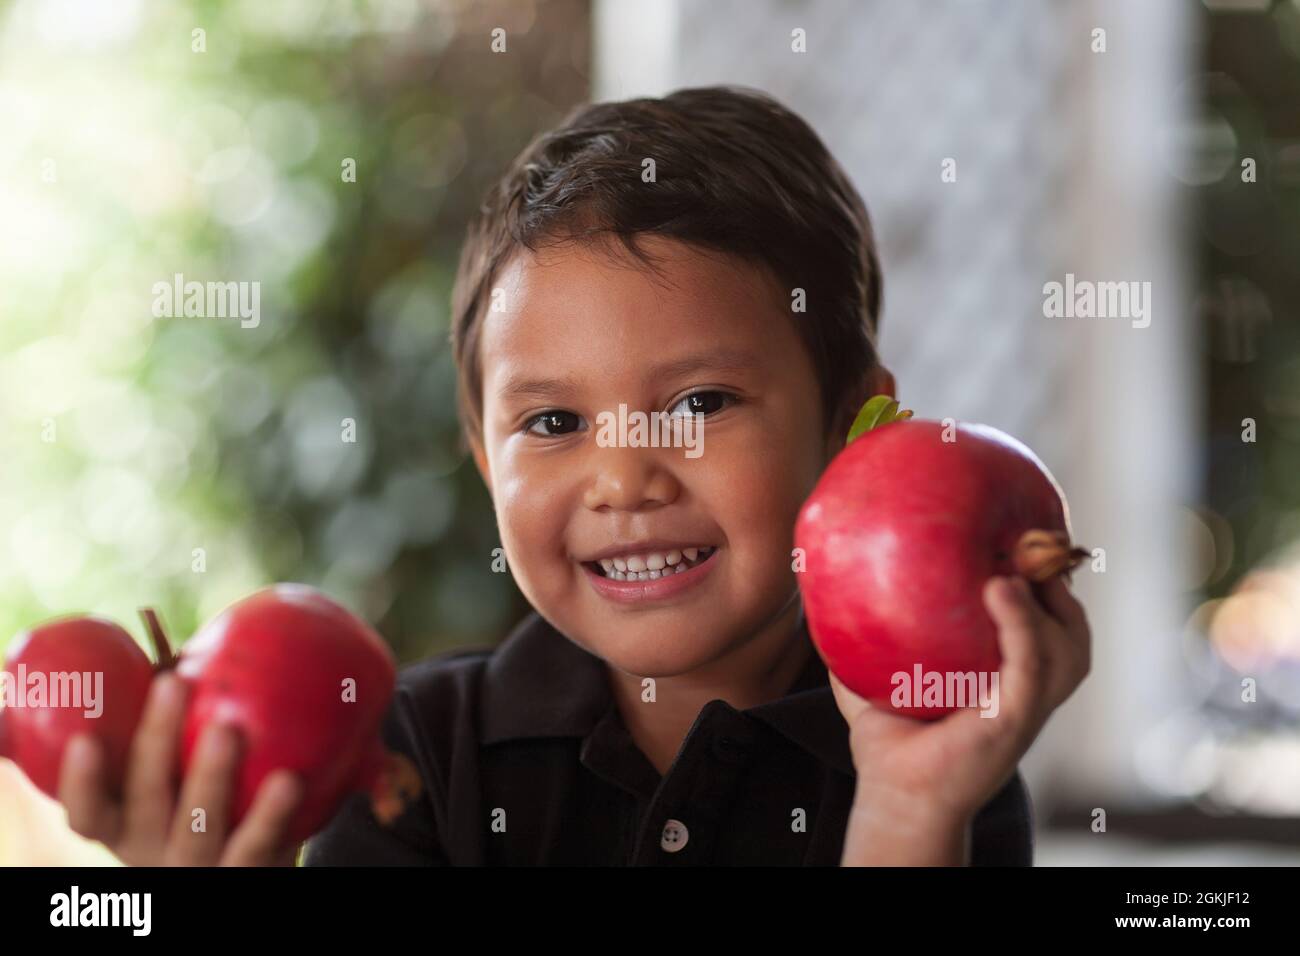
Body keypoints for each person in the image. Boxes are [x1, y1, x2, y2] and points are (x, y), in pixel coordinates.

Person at [55, 86, 1090, 866]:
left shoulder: (936, 758)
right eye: (552, 421)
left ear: (851, 428)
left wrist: (908, 817)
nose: (622, 476)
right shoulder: (416, 752)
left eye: (699, 403)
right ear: (484, 461)